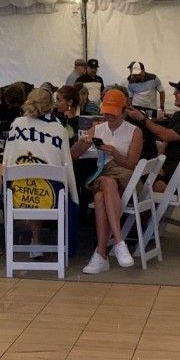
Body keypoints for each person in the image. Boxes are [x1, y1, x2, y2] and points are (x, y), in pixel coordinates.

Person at [0, 87, 77, 262]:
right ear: (51, 105)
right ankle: (39, 240)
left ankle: (10, 211)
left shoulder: (17, 124)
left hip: (18, 196)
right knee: (42, 180)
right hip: (51, 198)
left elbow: (8, 160)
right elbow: (66, 164)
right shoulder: (59, 129)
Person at [71, 88, 141, 274]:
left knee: (101, 197)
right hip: (105, 175)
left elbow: (132, 165)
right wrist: (83, 142)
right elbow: (72, 155)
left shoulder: (134, 131)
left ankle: (101, 254)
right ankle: (119, 242)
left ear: (123, 110)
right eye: (106, 113)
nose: (109, 117)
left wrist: (115, 154)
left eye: (113, 113)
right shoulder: (97, 128)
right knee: (107, 183)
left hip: (123, 178)